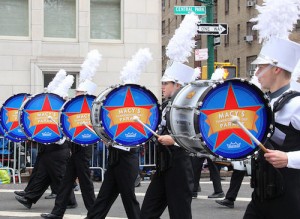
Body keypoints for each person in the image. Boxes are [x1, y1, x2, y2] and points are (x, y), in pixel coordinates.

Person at [243, 37, 300, 218]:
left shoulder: (297, 105)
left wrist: (288, 158)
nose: (257, 72)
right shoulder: (262, 102)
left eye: (261, 67)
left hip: (290, 197)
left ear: (276, 69)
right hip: (261, 192)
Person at [140, 61, 195, 219]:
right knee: (147, 213)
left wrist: (174, 140)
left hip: (180, 166)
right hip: (163, 166)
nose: (162, 87)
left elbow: (196, 135)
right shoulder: (166, 105)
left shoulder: (188, 107)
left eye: (166, 83)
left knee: (180, 214)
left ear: (177, 85)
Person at [41, 88, 97, 219]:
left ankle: (94, 214)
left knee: (85, 183)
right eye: (76, 92)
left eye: (79, 92)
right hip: (75, 147)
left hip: (84, 147)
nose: (76, 94)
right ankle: (57, 212)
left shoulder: (91, 108)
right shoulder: (74, 107)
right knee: (66, 181)